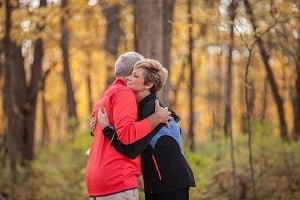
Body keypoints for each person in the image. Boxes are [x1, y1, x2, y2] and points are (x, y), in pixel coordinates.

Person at [96, 59, 196, 200]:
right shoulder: (143, 108)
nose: (129, 78)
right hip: (155, 185)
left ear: (149, 85)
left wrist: (107, 129)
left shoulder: (152, 110)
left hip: (172, 184)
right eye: (131, 74)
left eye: (136, 76)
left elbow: (132, 150)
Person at [85, 52, 172, 200]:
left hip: (97, 180)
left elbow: (98, 131)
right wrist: (157, 118)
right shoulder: (124, 94)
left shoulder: (105, 95)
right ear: (133, 71)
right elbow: (126, 135)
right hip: (117, 179)